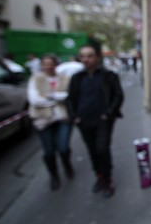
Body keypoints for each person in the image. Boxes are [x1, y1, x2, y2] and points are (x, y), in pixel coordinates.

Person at [67, 44, 124, 198]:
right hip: (84, 121)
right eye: (83, 56)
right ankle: (99, 176)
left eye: (89, 55)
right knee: (92, 151)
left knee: (102, 149)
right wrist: (75, 117)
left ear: (97, 57)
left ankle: (108, 178)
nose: (86, 59)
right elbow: (70, 99)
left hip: (103, 121)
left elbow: (118, 96)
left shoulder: (109, 76)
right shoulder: (77, 78)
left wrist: (108, 113)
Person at [27, 54, 74, 190]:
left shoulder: (64, 79)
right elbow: (35, 100)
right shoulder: (35, 79)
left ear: (56, 65)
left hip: (62, 118)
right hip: (43, 120)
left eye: (51, 63)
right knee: (49, 151)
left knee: (63, 148)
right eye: (45, 64)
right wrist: (58, 99)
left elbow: (69, 95)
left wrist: (49, 96)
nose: (48, 66)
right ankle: (54, 175)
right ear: (41, 66)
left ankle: (67, 166)